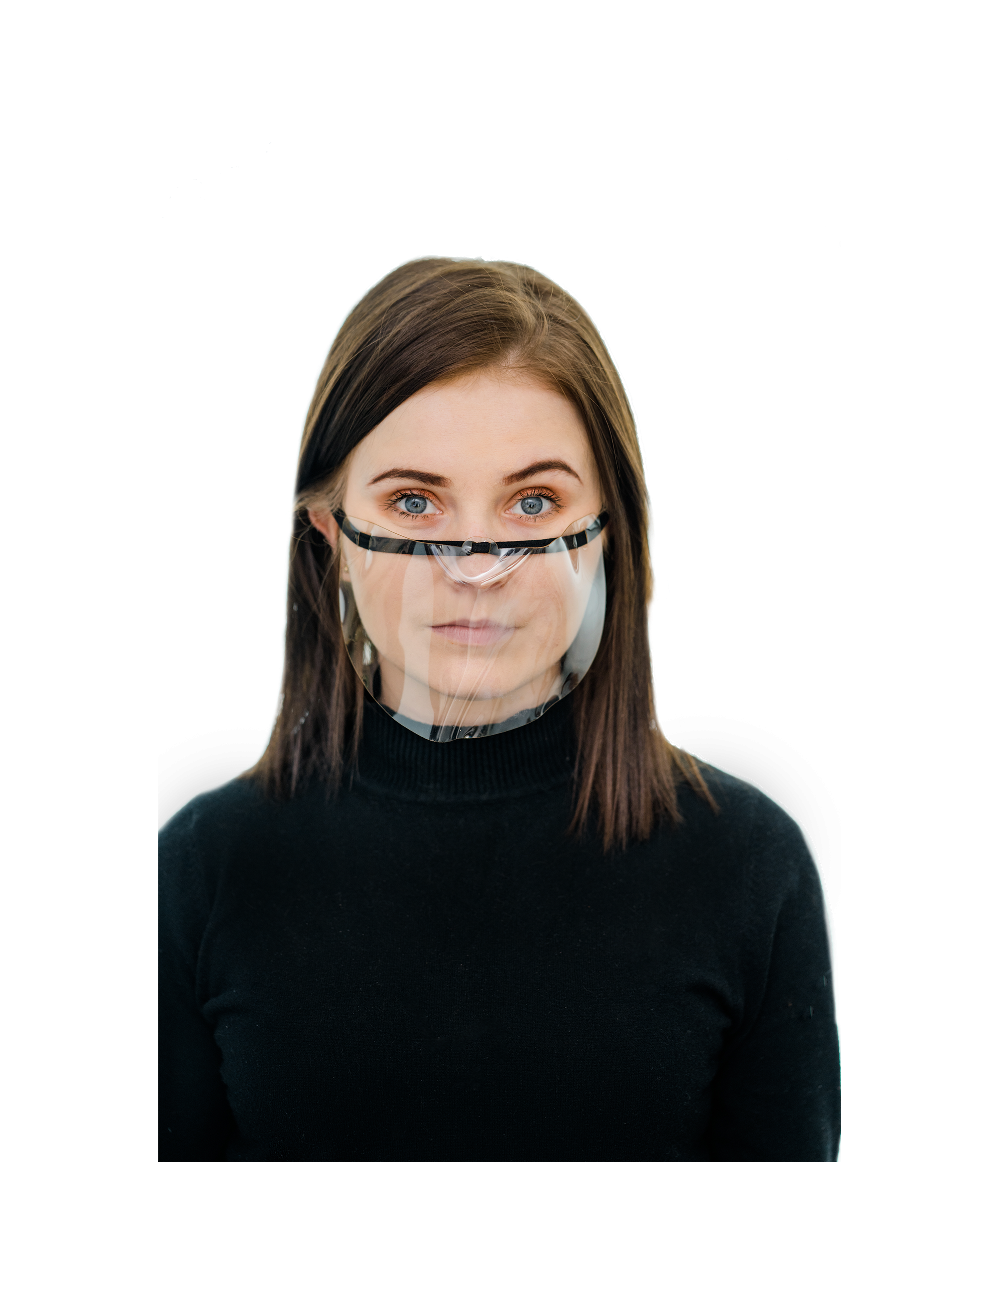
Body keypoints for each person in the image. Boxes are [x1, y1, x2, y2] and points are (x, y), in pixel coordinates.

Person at [159, 254, 840, 1161]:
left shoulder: (753, 867)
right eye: (414, 502)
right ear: (329, 534)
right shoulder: (201, 872)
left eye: (533, 501)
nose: (475, 568)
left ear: (609, 534)